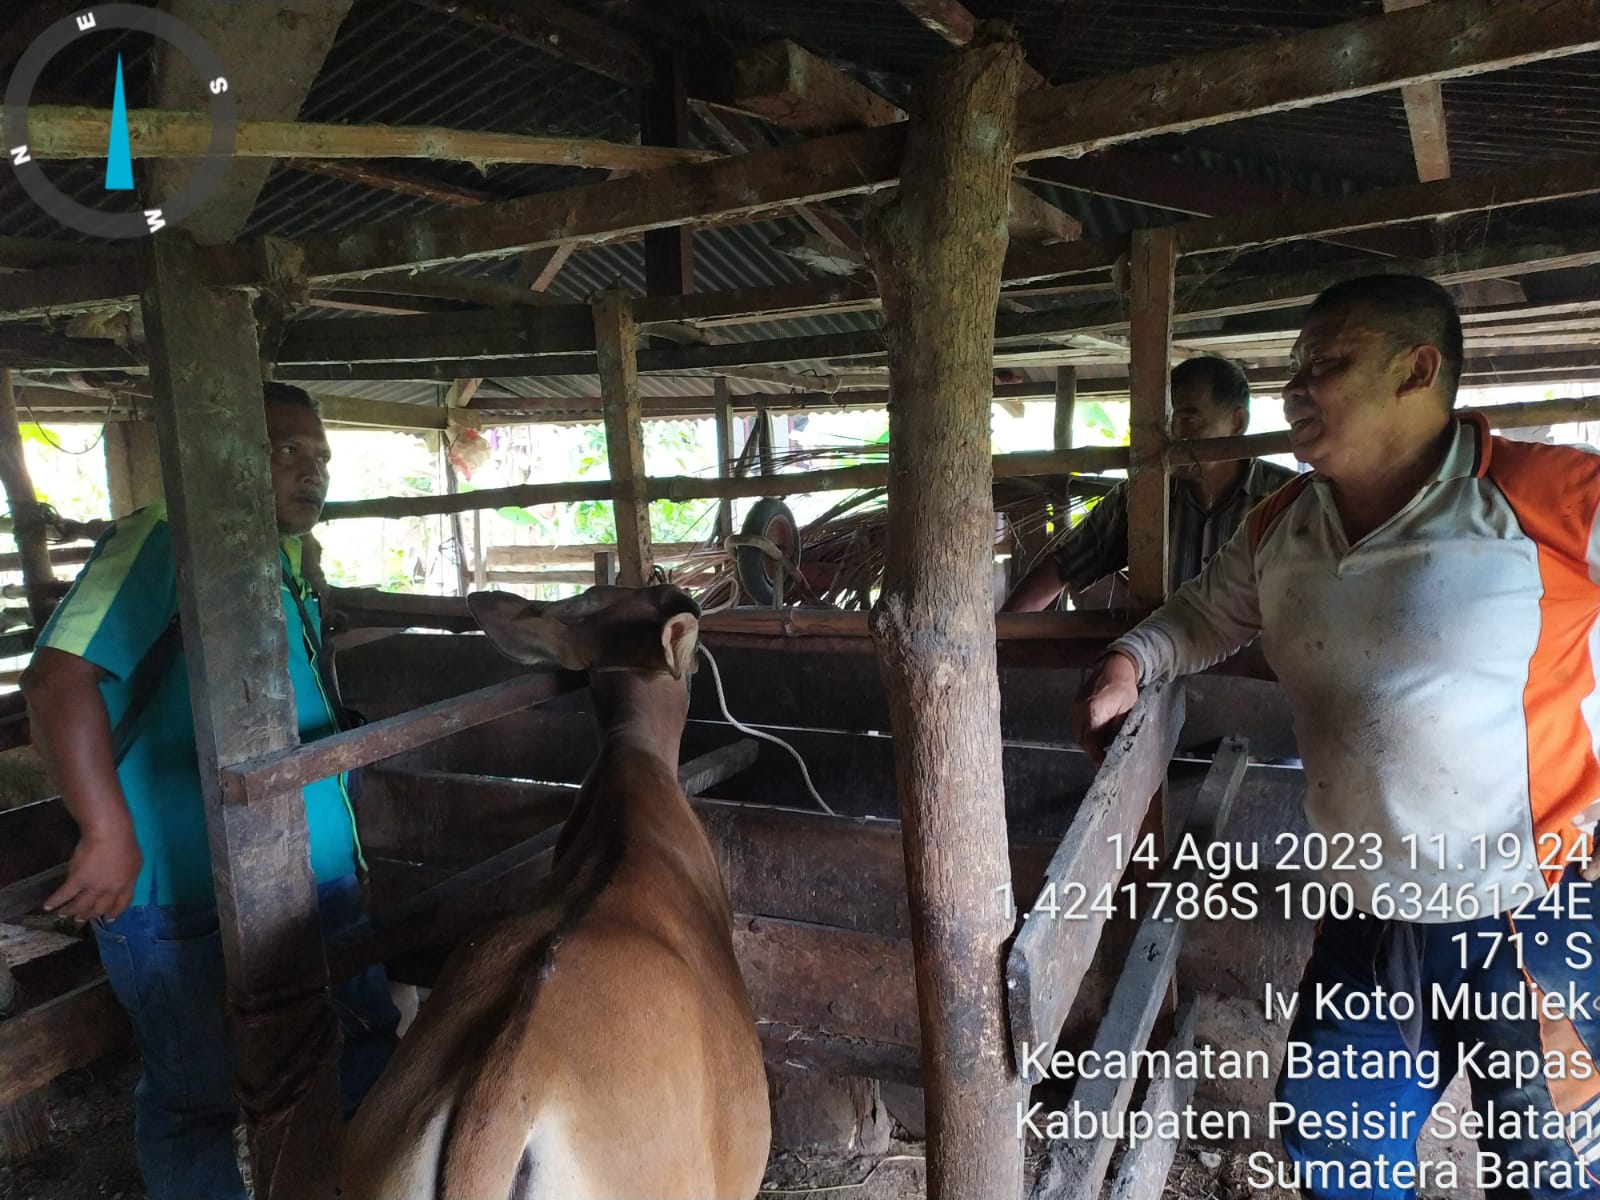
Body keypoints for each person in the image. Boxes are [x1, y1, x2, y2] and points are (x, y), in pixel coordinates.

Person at [1074, 274, 1600, 1199]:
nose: (1296, 386)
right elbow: (1205, 616)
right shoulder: (1282, 523)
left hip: (1531, 918)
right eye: (1294, 366)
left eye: (1328, 363)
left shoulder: (1553, 497)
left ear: (1419, 370)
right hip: (1363, 912)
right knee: (1336, 1156)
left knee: (1550, 1172)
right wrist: (1130, 662)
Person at [21, 382, 398, 1200]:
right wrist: (105, 832)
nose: (311, 470)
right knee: (199, 1093)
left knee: (362, 1044)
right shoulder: (166, 536)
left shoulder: (282, 559)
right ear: (217, 453)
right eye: (284, 449)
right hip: (180, 889)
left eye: (320, 454)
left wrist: (349, 853)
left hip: (311, 879)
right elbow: (56, 681)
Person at [1002, 355, 1296, 612]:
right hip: (1163, 669)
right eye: (1166, 422)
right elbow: (1063, 566)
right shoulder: (1142, 496)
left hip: (1261, 673)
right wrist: (1002, 638)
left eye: (1189, 420)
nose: (1173, 435)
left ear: (1238, 423)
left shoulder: (1288, 498)